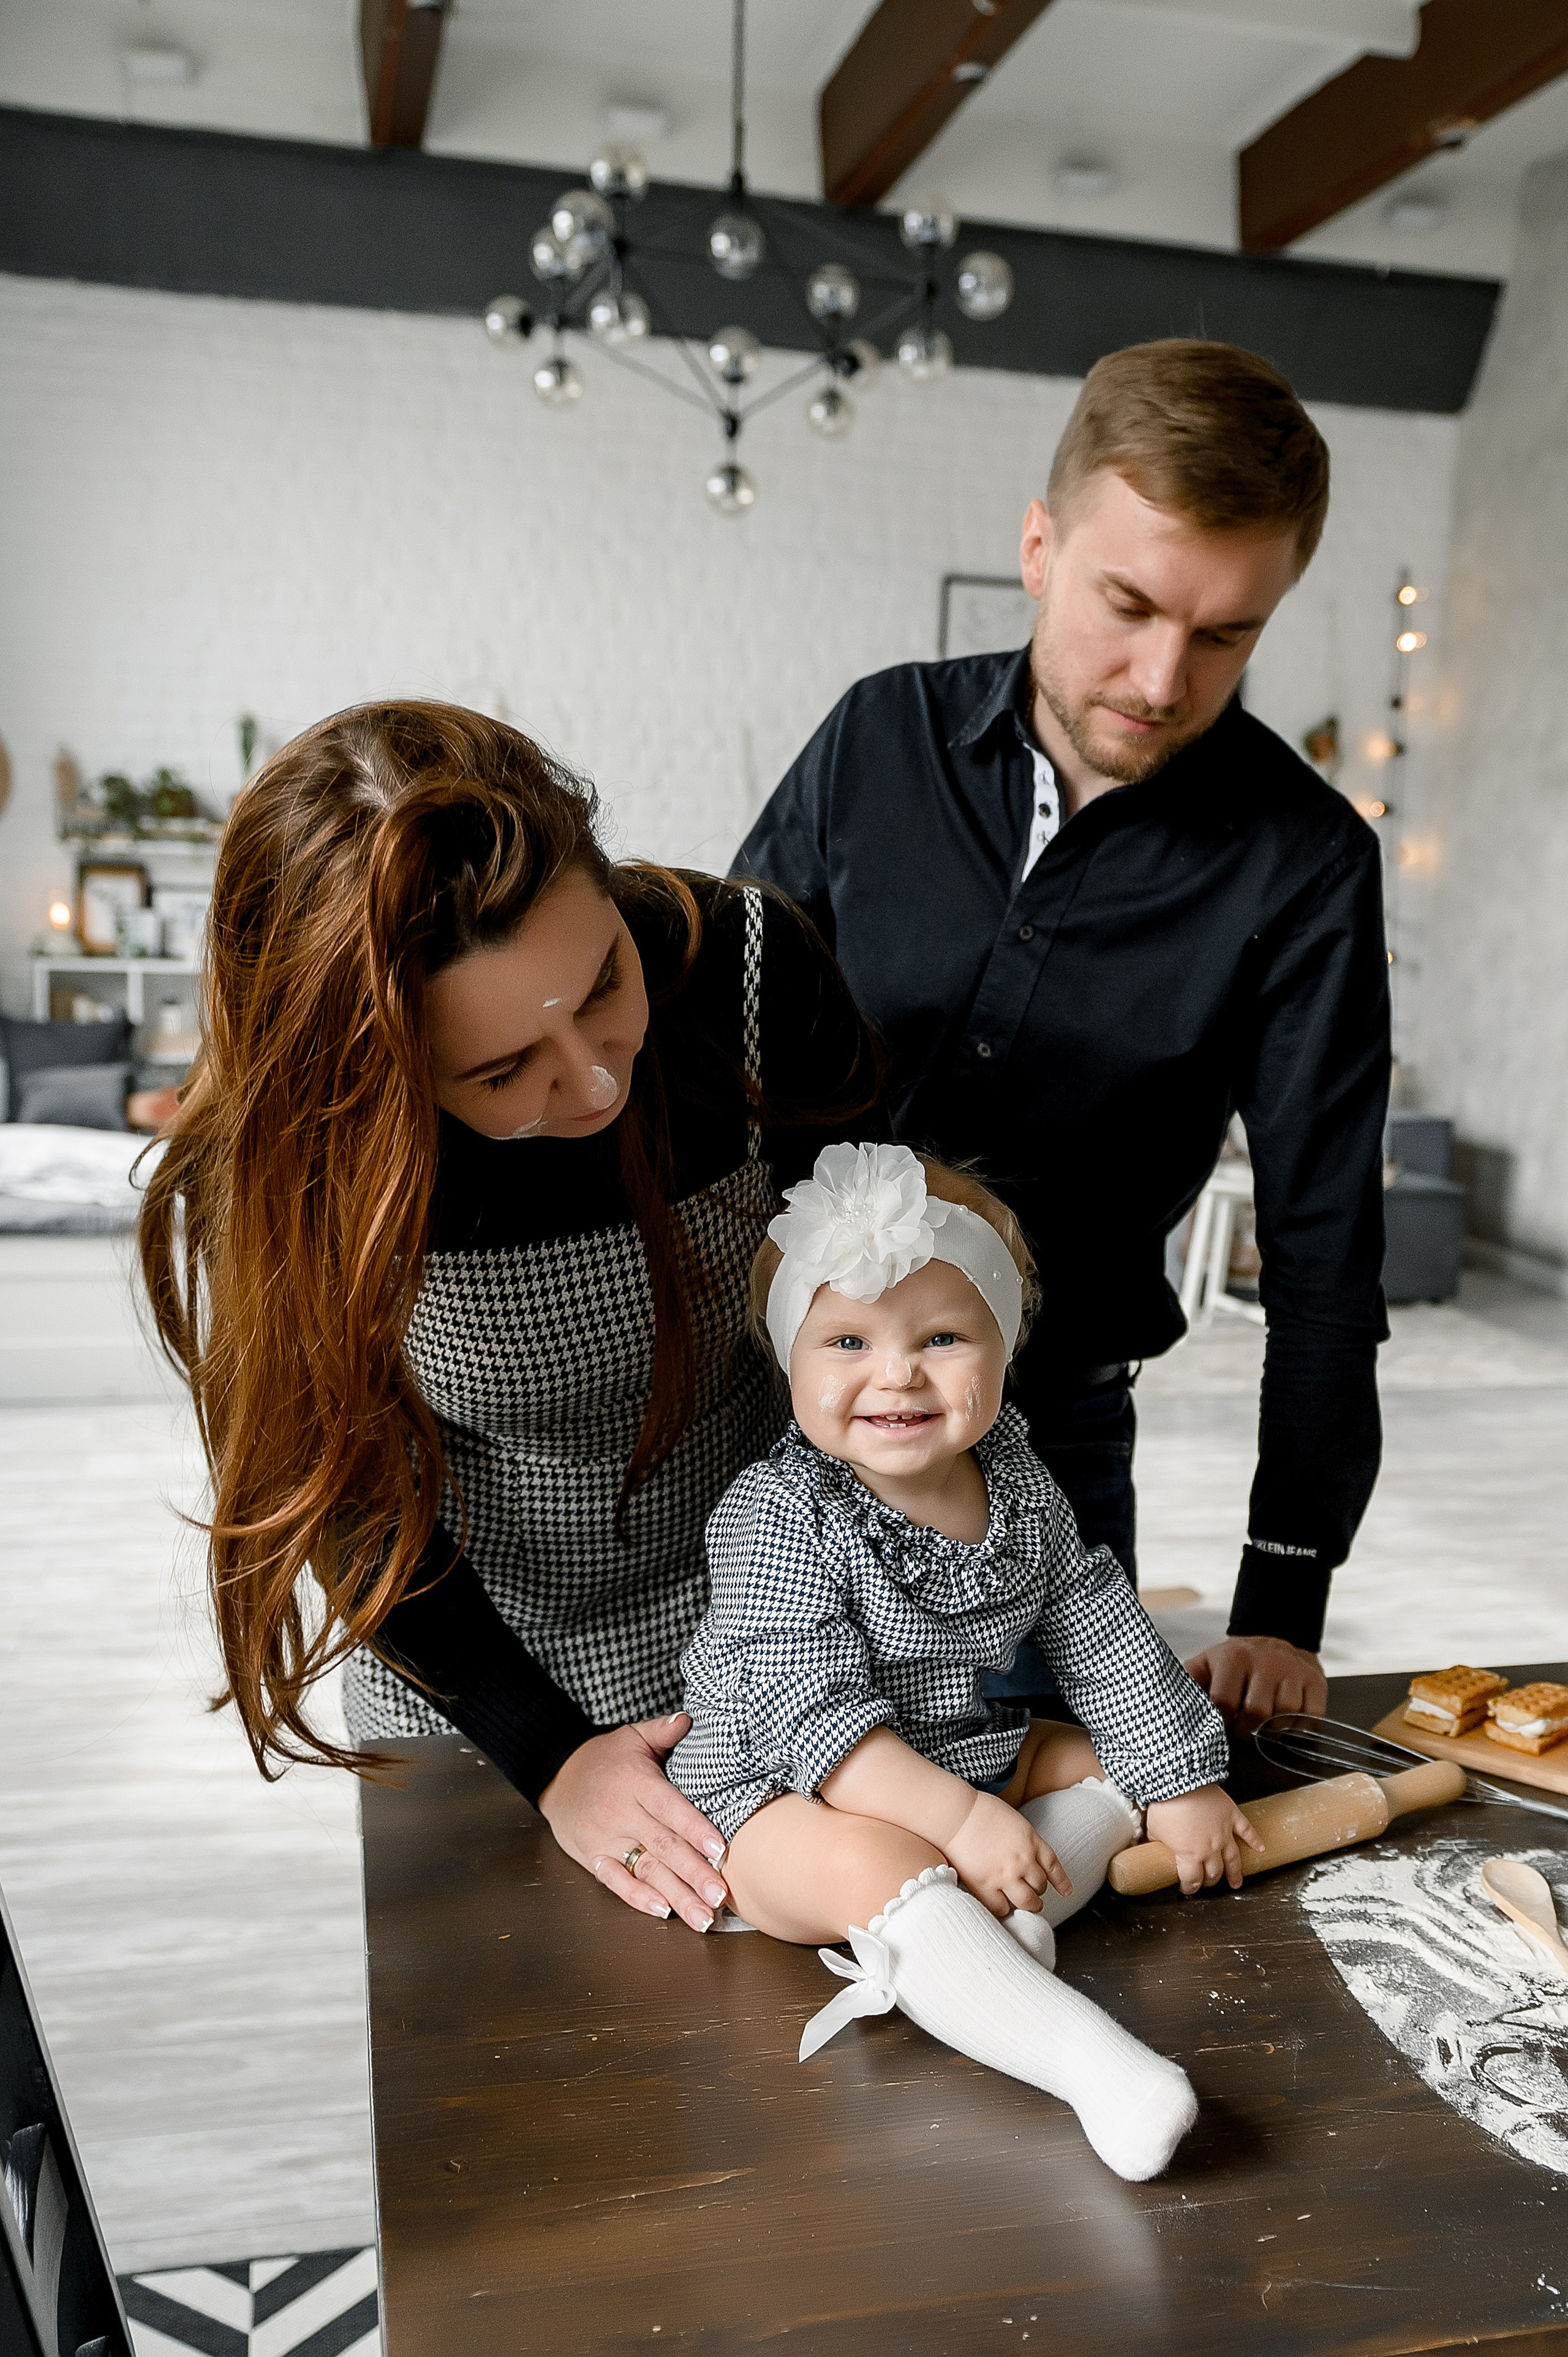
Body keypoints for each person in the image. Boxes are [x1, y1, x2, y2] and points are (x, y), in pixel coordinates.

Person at [140, 702, 886, 1936]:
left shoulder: (749, 970)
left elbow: (878, 1309)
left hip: (773, 1639)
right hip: (475, 1683)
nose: (594, 1075)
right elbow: (347, 1494)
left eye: (603, 985)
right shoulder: (298, 1155)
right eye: (500, 1074)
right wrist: (548, 1755)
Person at [736, 338, 1392, 1734]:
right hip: (766, 1420)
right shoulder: (877, 736)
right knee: (757, 1857)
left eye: (1225, 634)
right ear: (1040, 546)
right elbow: (703, 1033)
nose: (1162, 677)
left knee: (1048, 1870)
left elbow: (1326, 1244)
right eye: (1128, 604)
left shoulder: (1305, 863)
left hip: (1045, 1453)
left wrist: (1283, 1591)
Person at [667, 1141, 1257, 2182]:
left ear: (1004, 1345)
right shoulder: (777, 1515)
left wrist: (1182, 1782)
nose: (895, 1373)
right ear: (788, 1363)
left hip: (956, 1751)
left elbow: (1100, 1628)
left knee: (1108, 1754)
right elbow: (812, 1721)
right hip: (778, 1798)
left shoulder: (1018, 1483)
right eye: (846, 1340)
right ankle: (1096, 2069)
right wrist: (962, 1819)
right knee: (884, 1865)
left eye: (941, 1337)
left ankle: (981, 1947)